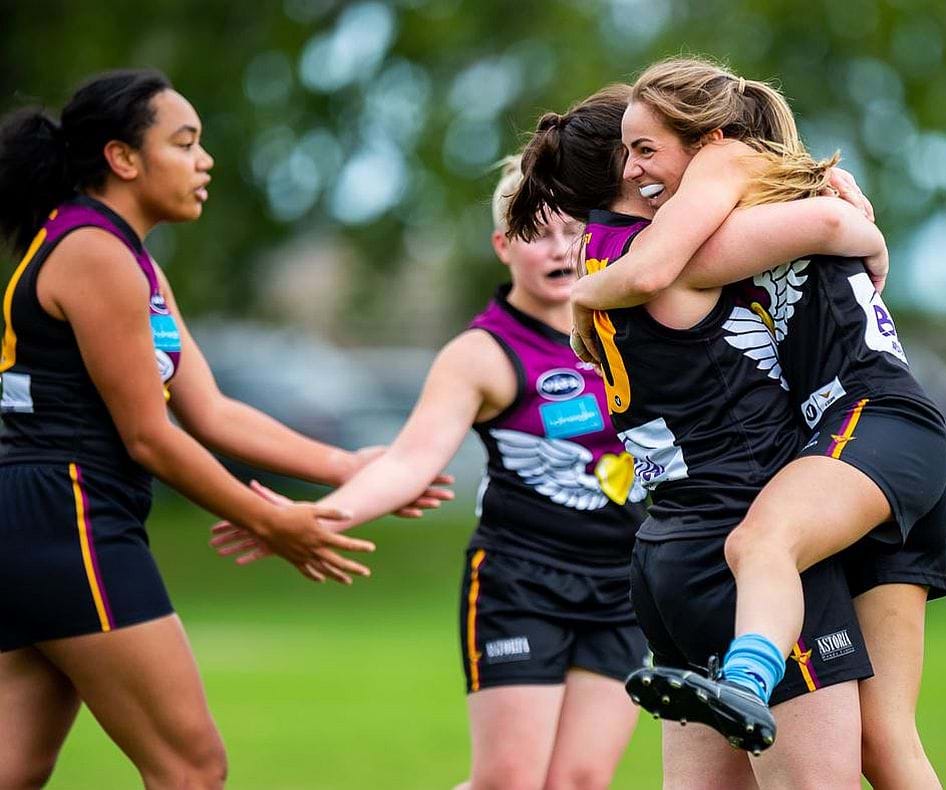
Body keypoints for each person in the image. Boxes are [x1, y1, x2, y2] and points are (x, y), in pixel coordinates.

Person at [0, 70, 417, 788]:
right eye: (185, 143)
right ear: (122, 159)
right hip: (66, 516)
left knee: (15, 766)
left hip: (37, 521)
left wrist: (345, 464)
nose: (205, 161)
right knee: (191, 768)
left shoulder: (126, 259)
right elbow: (149, 437)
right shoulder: (94, 253)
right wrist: (270, 520)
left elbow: (211, 410)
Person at [563, 59, 946, 787]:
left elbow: (657, 269)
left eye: (648, 149)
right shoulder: (756, 194)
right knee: (886, 742)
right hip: (865, 444)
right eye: (627, 153)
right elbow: (835, 219)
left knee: (762, 539)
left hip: (874, 420)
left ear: (706, 139)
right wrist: (860, 227)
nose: (638, 170)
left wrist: (584, 294)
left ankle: (748, 675)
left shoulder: (724, 162)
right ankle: (748, 672)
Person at [212, 155, 649, 790]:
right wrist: (314, 516)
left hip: (622, 587)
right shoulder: (481, 354)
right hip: (521, 582)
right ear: (503, 245)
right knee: (509, 782)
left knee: (580, 781)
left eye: (573, 230)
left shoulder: (628, 329)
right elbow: (411, 462)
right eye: (536, 232)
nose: (559, 249)